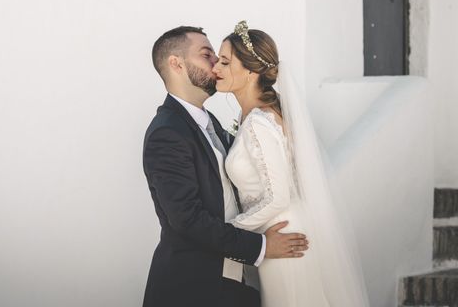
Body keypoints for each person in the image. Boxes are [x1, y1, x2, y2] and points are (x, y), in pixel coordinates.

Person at [142, 26, 309, 307]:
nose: (216, 64)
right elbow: (187, 219)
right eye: (207, 55)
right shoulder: (167, 133)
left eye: (221, 58)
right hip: (193, 287)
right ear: (176, 64)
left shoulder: (212, 124)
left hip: (237, 284)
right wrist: (262, 246)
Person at [212, 21, 369, 307]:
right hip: (276, 232)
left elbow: (278, 196)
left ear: (250, 70)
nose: (215, 69)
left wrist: (228, 232)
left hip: (282, 234)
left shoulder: (259, 122)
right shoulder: (259, 117)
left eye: (224, 61)